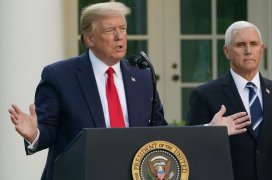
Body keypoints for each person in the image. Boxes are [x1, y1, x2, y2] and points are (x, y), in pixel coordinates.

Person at [8, 2, 250, 180]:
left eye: (122, 29)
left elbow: (161, 132)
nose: (119, 36)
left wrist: (209, 130)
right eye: (109, 30)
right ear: (89, 38)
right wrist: (34, 134)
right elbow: (48, 131)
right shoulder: (59, 75)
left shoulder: (141, 76)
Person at [186, 21, 272, 180]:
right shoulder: (204, 95)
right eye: (240, 45)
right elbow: (192, 153)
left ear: (261, 49)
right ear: (227, 51)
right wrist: (210, 131)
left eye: (254, 44)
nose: (248, 50)